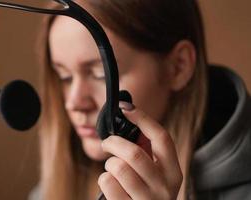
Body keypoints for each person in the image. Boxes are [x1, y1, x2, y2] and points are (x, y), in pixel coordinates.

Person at [28, 0, 251, 199]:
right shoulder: (48, 192)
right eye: (64, 77)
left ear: (178, 67)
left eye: (100, 75)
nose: (74, 102)